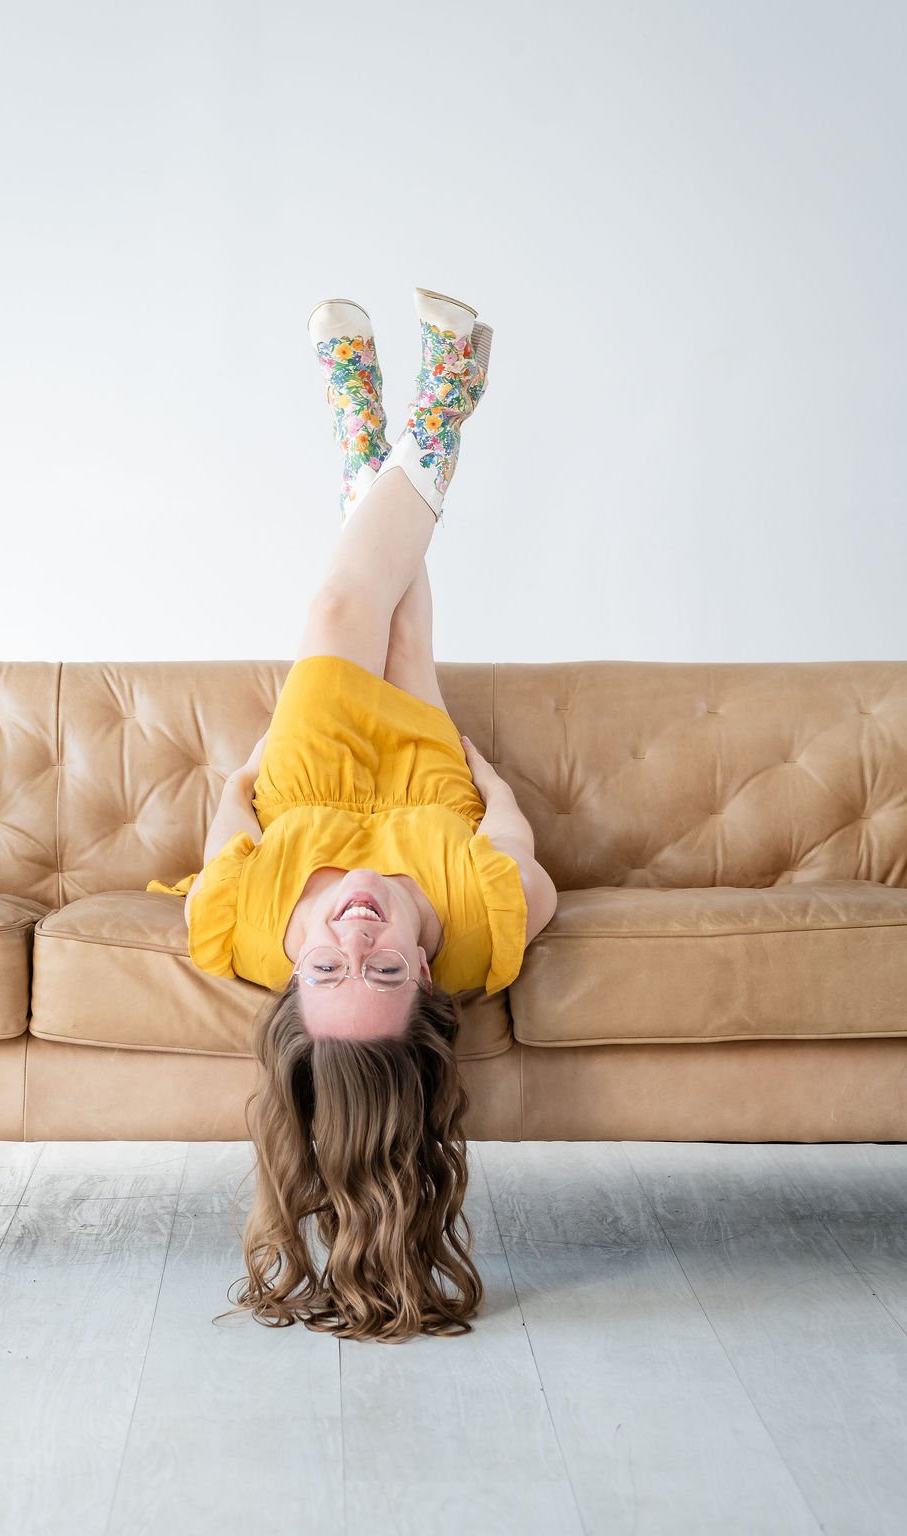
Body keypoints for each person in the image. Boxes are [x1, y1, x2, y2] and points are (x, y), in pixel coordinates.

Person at [147, 289, 558, 1340]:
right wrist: (482, 772)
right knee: (404, 615)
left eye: (330, 970)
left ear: (296, 978)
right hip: (426, 784)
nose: (358, 941)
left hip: (313, 777)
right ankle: (391, 405)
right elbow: (514, 839)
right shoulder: (486, 931)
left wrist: (252, 767)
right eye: (383, 974)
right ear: (427, 981)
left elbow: (230, 816)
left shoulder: (237, 928)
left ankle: (417, 402)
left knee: (341, 602)